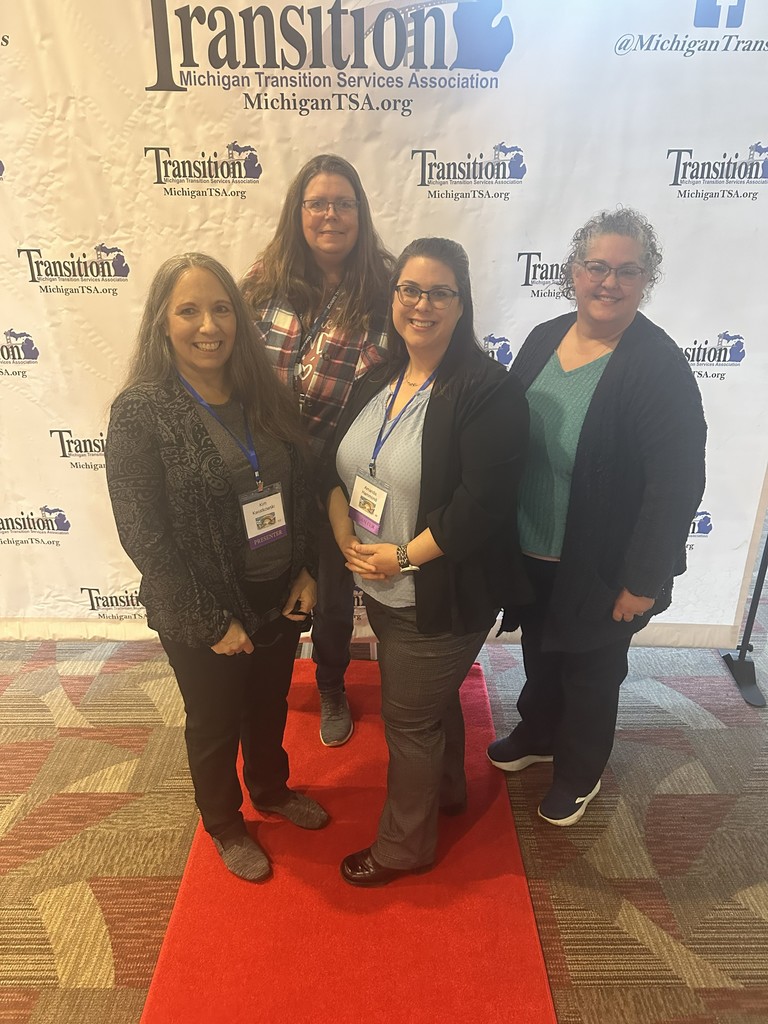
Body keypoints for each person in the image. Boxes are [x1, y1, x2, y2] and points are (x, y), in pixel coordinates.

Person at [106, 253, 328, 883]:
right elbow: (143, 535)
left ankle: (271, 789)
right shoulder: (141, 411)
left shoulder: (264, 394)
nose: (209, 324)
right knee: (213, 722)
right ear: (162, 322)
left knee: (269, 705)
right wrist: (209, 623)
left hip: (279, 594)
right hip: (202, 609)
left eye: (222, 308)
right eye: (189, 310)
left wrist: (308, 571)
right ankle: (225, 823)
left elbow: (303, 490)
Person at [487, 208, 707, 827]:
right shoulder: (543, 335)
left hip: (607, 563)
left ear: (646, 280)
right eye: (597, 267)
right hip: (533, 546)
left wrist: (643, 579)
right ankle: (538, 734)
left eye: (627, 271)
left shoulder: (657, 365)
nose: (609, 283)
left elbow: (679, 482)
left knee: (591, 669)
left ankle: (579, 772)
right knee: (542, 651)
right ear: (573, 272)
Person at [325, 237, 530, 886]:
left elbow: (481, 507)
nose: (421, 304)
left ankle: (403, 848)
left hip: (442, 591)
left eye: (438, 292)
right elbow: (332, 468)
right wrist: (344, 539)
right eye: (409, 289)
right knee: (428, 702)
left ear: (462, 304)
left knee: (408, 719)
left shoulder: (487, 390)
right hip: (381, 582)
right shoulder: (378, 377)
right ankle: (446, 793)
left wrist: (403, 559)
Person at [241, 154, 394, 748]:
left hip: (341, 469)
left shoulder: (385, 286)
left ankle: (331, 680)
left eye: (343, 203)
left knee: (331, 589)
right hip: (267, 462)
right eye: (317, 203)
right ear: (297, 212)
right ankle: (254, 675)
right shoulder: (263, 281)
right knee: (263, 569)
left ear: (360, 212)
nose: (330, 215)